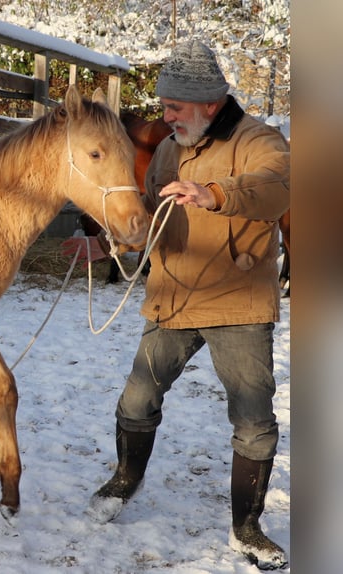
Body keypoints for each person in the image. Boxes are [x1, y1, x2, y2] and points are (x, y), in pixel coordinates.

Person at [73, 40, 290, 570]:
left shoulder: (259, 140)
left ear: (209, 105)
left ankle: (247, 526)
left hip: (237, 303)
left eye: (175, 106)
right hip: (171, 299)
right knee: (136, 402)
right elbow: (148, 215)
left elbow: (275, 190)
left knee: (253, 420)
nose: (165, 115)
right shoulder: (169, 147)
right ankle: (126, 480)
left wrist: (214, 194)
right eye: (165, 105)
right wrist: (104, 244)